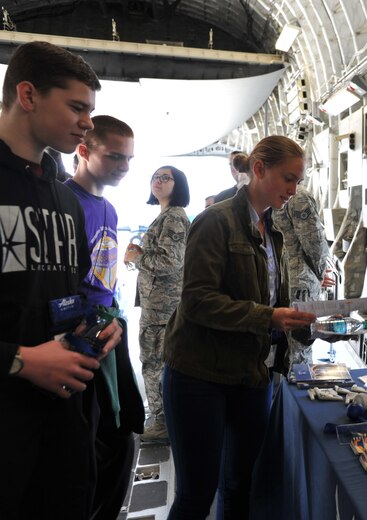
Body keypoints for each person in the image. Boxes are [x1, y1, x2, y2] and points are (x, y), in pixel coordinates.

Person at [162, 135, 316, 518]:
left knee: (239, 486)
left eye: (298, 182)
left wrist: (296, 319)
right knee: (196, 495)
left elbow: (267, 301)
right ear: (259, 170)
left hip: (250, 373)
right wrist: (270, 317)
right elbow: (197, 302)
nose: (293, 190)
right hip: (199, 376)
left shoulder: (272, 232)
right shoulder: (214, 222)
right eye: (288, 179)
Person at [0, 41, 123, 520]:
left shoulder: (65, 200)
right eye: (76, 107)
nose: (88, 123)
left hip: (65, 420)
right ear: (27, 95)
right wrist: (20, 360)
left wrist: (97, 327)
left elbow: (67, 294)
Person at [65, 115, 145, 520]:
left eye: (129, 159)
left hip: (109, 331)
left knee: (120, 436)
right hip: (74, 337)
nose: (124, 167)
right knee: (87, 448)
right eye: (115, 156)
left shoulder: (109, 210)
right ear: (84, 150)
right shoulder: (62, 203)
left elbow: (106, 280)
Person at [123, 166, 191, 442]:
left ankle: (163, 424)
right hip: (157, 308)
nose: (158, 181)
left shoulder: (174, 217)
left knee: (156, 365)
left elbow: (169, 262)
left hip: (164, 310)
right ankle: (163, 420)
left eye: (166, 178)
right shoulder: (163, 216)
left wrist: (137, 257)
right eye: (155, 177)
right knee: (155, 364)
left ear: (178, 185)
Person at [272, 183, 333, 367]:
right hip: (300, 283)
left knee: (281, 347)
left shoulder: (272, 194)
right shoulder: (299, 197)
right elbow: (314, 243)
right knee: (298, 351)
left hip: (279, 279)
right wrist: (320, 275)